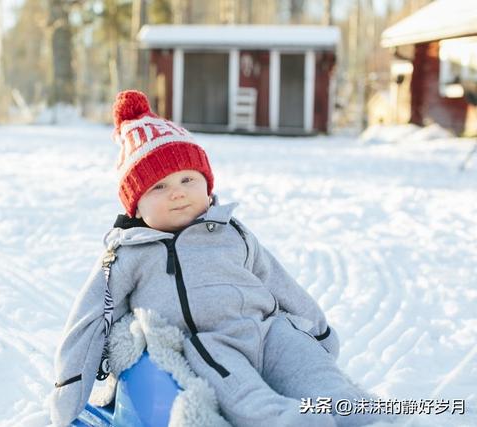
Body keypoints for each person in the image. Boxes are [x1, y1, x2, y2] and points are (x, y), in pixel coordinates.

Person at [49, 90, 388, 427]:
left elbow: (276, 279)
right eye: (159, 187)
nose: (178, 192)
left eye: (187, 179)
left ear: (207, 186)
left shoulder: (230, 231)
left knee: (317, 375)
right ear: (135, 205)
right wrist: (69, 390)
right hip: (210, 344)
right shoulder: (128, 253)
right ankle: (289, 422)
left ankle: (361, 417)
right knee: (244, 396)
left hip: (269, 331)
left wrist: (318, 330)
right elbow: (91, 317)